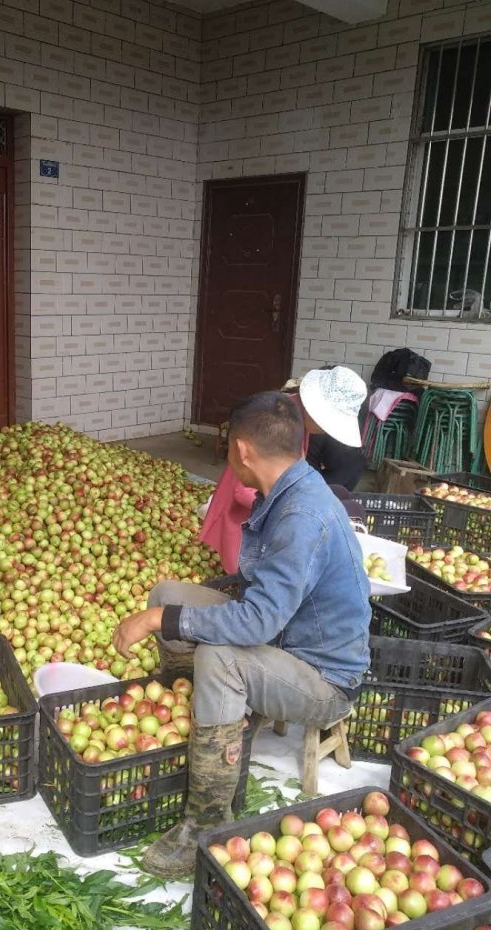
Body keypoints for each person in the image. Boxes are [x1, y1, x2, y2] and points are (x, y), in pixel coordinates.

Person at [112, 392, 371, 878]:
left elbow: (256, 624)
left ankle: (207, 823)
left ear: (241, 450)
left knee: (218, 657)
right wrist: (166, 610)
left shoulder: (303, 515)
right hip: (285, 643)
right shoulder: (292, 487)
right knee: (168, 592)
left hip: (323, 680)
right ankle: (201, 717)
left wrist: (159, 622)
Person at [199, 366, 367, 573]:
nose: (326, 431)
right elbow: (245, 490)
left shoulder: (294, 416)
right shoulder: (278, 424)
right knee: (240, 559)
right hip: (249, 497)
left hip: (260, 495)